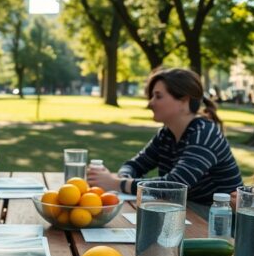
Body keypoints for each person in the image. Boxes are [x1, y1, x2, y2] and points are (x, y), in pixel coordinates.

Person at [87, 68, 242, 216]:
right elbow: (135, 164)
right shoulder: (166, 134)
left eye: (158, 96)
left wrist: (116, 184)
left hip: (218, 219)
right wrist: (123, 178)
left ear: (184, 101)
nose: (150, 103)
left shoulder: (205, 133)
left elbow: (175, 186)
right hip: (187, 211)